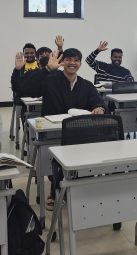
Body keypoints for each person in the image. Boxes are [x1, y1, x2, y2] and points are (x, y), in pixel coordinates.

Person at [20, 49, 105, 211]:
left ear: (80, 63)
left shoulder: (86, 85)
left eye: (76, 60)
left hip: (79, 133)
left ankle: (76, 187)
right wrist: (47, 69)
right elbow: (26, 89)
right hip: (53, 133)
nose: (72, 63)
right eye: (68, 59)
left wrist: (99, 108)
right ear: (63, 62)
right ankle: (55, 190)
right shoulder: (50, 81)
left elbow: (97, 100)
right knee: (53, 164)